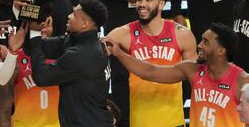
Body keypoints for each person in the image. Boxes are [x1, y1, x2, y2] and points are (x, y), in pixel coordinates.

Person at [84, 0, 176, 125]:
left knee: (153, 69)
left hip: (150, 23)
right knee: (119, 75)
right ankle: (123, 122)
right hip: (118, 19)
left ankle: (157, 118)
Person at [104, 22, 248, 127]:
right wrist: (119, 54)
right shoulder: (192, 70)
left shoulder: (242, 80)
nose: (199, 45)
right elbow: (150, 72)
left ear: (221, 51)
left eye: (206, 42)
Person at [105, 0, 197, 127]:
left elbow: (195, 79)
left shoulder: (182, 34)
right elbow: (95, 54)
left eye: (148, 0)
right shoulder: (124, 33)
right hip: (139, 121)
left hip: (174, 121)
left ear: (161, 4)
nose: (142, 4)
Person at [28, 0, 113, 126]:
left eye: (74, 14)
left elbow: (42, 77)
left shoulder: (82, 54)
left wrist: (34, 32)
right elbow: (38, 46)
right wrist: (31, 17)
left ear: (84, 24)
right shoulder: (79, 41)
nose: (69, 16)